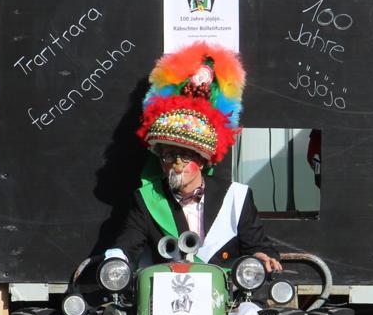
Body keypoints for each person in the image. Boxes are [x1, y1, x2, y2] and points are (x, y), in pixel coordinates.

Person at [109, 42, 280, 272]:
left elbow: (261, 248)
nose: (175, 164)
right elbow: (126, 245)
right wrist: (115, 259)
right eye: (167, 155)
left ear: (201, 160)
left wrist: (262, 257)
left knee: (251, 311)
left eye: (185, 155)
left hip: (225, 302)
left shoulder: (236, 198)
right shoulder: (146, 200)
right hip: (166, 299)